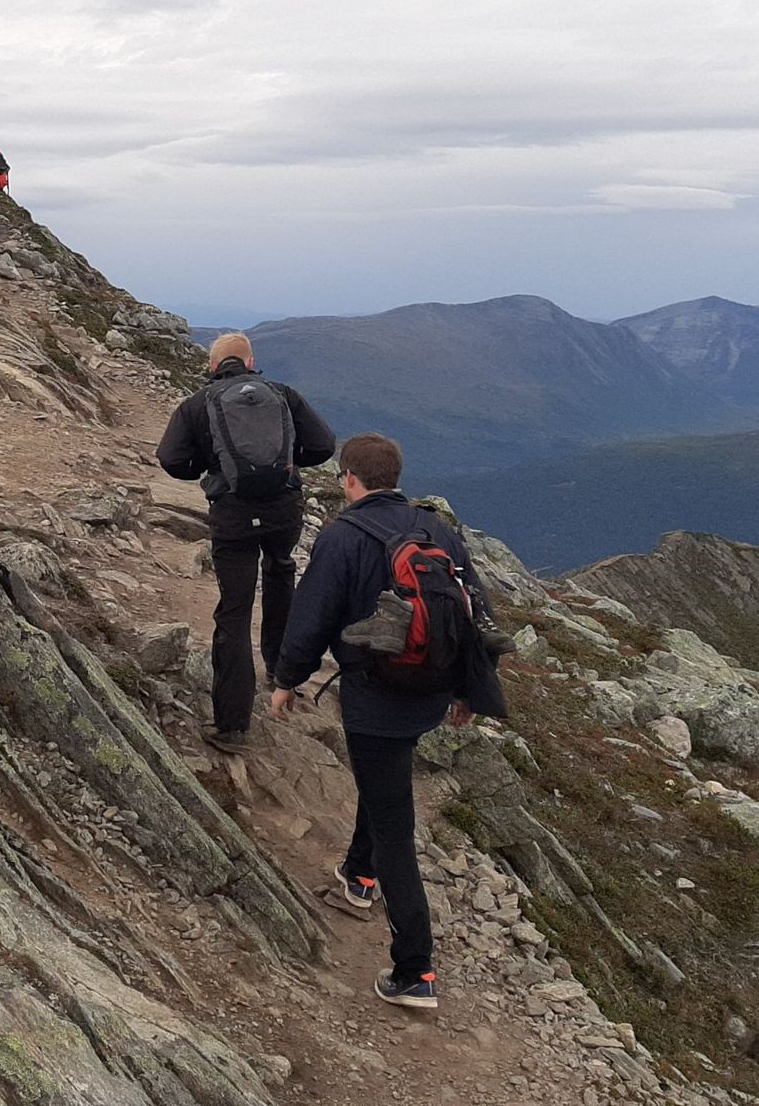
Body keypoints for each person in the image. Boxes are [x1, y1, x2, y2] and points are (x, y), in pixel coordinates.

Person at [271, 432, 507, 1012]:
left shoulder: (343, 536)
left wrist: (286, 680)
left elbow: (312, 616)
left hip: (375, 698)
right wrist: (466, 691)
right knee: (384, 788)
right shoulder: (437, 530)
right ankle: (359, 872)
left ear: (349, 478)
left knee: (396, 827)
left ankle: (416, 970)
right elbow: (475, 612)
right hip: (428, 695)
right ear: (396, 476)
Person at [157, 333, 336, 754]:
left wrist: (213, 467)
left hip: (233, 515)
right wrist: (287, 464)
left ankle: (233, 726)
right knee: (280, 574)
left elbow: (170, 458)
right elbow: (325, 445)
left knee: (234, 611)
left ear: (212, 365)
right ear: (251, 360)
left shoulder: (198, 403)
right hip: (283, 510)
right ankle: (282, 672)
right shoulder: (283, 395)